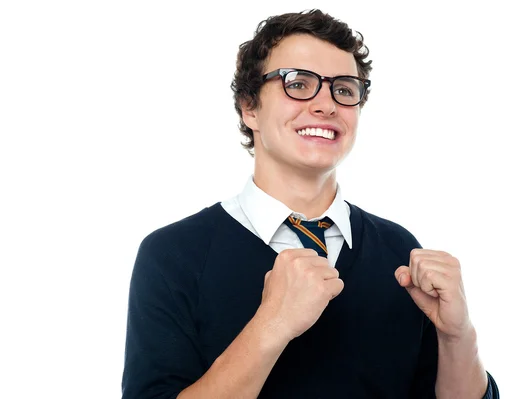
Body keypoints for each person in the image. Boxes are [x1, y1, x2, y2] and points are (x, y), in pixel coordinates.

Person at [122, 9, 500, 399]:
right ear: (249, 107)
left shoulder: (399, 252)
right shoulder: (173, 255)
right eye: (298, 83)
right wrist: (271, 324)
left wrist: (458, 335)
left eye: (344, 89)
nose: (326, 105)